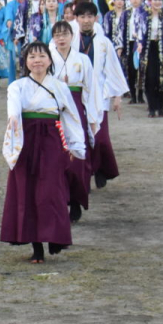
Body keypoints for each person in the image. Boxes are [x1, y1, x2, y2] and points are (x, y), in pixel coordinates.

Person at [0, 41, 86, 263]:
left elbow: (71, 117)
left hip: (51, 139)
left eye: (41, 56)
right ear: (25, 62)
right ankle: (36, 245)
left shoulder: (60, 87)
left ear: (49, 60)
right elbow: (13, 107)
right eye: (31, 57)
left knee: (51, 190)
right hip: (26, 139)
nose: (37, 61)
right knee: (27, 191)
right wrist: (13, 117)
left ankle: (55, 236)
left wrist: (75, 145)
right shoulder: (17, 86)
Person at [49, 21, 102, 223]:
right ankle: (59, 200)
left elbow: (91, 89)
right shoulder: (47, 58)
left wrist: (93, 118)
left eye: (65, 34)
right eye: (57, 35)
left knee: (78, 156)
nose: (61, 38)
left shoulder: (82, 59)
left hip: (77, 107)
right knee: (57, 156)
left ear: (72, 36)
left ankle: (76, 201)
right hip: (54, 108)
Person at [73, 0, 127, 188]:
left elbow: (113, 69)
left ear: (96, 18)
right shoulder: (70, 41)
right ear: (76, 18)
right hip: (76, 96)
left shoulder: (104, 43)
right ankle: (85, 175)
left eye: (90, 16)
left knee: (100, 138)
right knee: (80, 138)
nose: (86, 20)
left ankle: (101, 169)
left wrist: (117, 96)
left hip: (99, 95)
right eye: (82, 16)